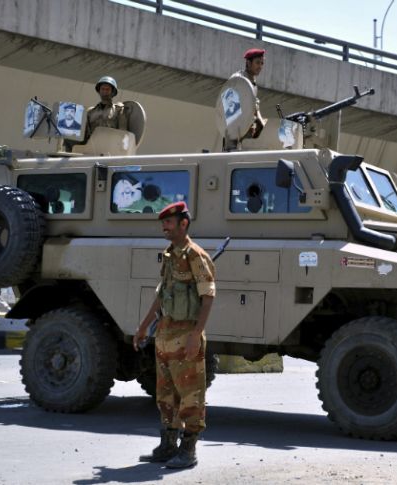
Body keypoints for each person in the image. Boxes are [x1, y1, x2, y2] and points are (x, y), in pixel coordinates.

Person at [133, 201, 216, 469]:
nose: (164, 227)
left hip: (186, 333)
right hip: (166, 332)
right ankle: (168, 446)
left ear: (184, 224)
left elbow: (208, 297)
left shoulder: (196, 256)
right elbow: (162, 294)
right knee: (165, 394)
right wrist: (144, 326)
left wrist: (196, 334)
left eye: (169, 222)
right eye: (163, 223)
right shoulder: (170, 254)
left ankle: (188, 451)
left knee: (191, 394)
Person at [229, 48, 266, 139]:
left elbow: (254, 106)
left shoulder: (253, 84)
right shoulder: (238, 79)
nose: (260, 66)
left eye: (262, 63)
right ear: (249, 63)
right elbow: (229, 106)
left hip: (246, 130)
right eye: (257, 63)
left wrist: (259, 122)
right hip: (234, 130)